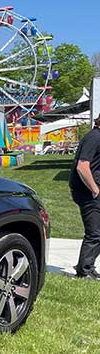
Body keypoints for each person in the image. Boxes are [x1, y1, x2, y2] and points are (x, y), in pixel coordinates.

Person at [69, 114, 100, 280]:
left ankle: (87, 265)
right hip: (88, 193)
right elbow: (82, 166)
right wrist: (95, 189)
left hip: (91, 191)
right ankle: (84, 271)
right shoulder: (94, 138)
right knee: (94, 233)